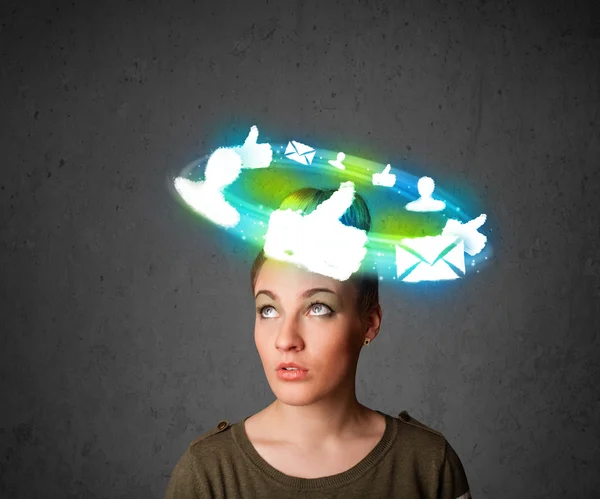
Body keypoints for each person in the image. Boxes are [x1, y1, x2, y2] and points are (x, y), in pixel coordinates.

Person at [165, 186, 472, 498]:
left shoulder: (429, 464)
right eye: (268, 310)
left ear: (370, 323)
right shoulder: (207, 472)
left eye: (318, 308)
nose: (286, 340)